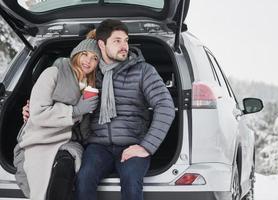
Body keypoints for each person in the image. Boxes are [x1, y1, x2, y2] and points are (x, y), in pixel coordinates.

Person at [74, 19, 175, 200]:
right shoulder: (90, 73)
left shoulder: (144, 71)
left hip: (132, 144)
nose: (124, 46)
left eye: (126, 40)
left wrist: (146, 146)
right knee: (83, 178)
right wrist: (31, 109)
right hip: (98, 146)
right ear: (102, 44)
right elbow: (63, 96)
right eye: (117, 41)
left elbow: (165, 106)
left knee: (131, 180)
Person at [14, 37, 101, 200]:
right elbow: (38, 113)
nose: (88, 61)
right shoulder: (53, 73)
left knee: (65, 166)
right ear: (76, 54)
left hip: (67, 141)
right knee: (42, 177)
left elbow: (84, 131)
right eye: (85, 54)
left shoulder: (89, 85)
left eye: (95, 58)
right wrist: (75, 110)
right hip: (40, 138)